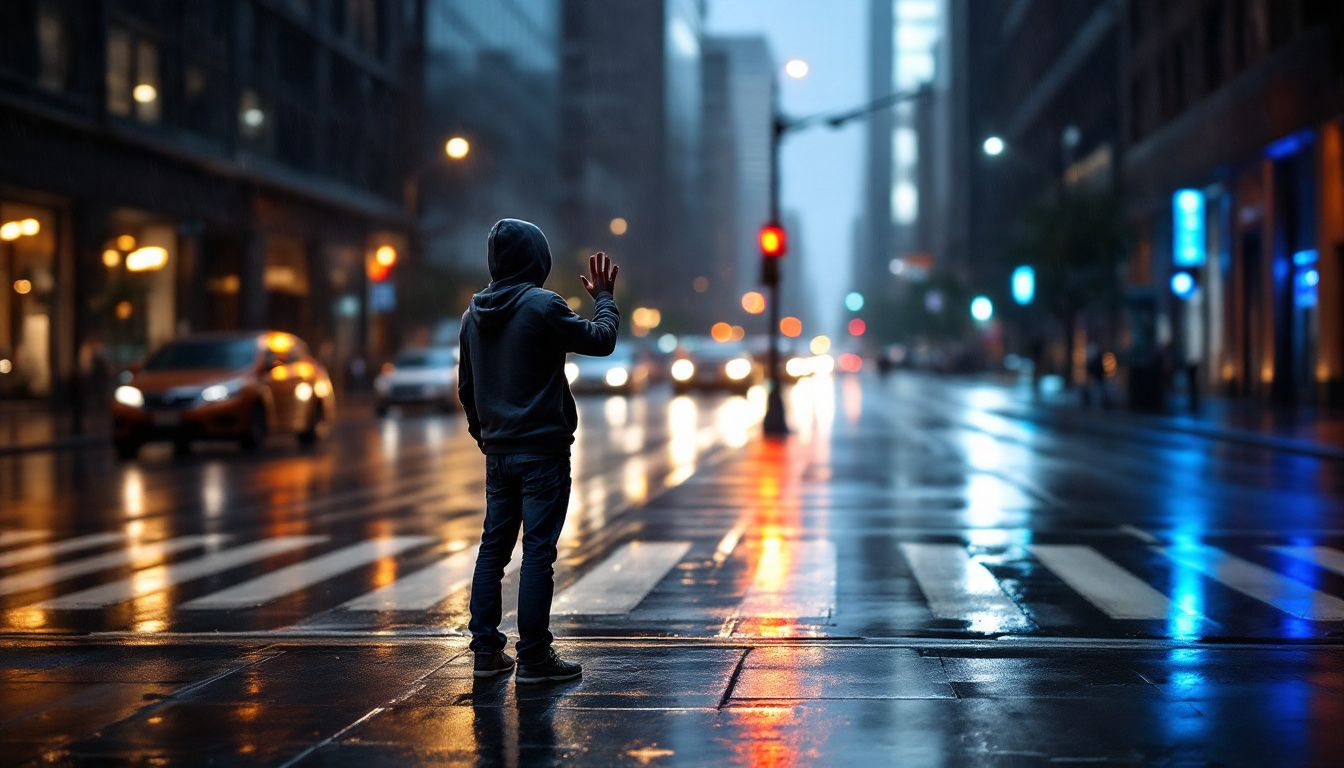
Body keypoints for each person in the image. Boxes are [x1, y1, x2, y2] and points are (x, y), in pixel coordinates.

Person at [458, 218, 620, 684]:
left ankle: (486, 652)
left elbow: (467, 389)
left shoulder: (472, 315)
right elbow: (601, 340)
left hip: (498, 453)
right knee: (538, 552)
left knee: (492, 550)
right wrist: (605, 298)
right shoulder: (542, 305)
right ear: (537, 259)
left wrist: (485, 435)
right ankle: (533, 657)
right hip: (543, 453)